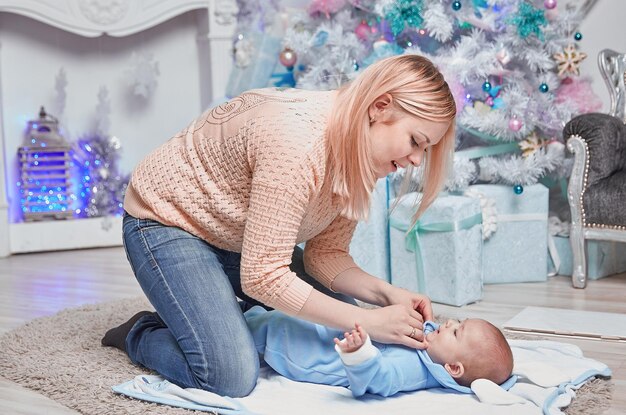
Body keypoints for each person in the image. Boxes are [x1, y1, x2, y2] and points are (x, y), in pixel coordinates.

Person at [101, 54, 457, 397]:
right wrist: (364, 321)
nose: (415, 160)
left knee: (336, 309)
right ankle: (142, 332)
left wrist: (387, 294)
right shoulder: (298, 144)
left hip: (235, 236)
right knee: (230, 374)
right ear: (380, 107)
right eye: (416, 142)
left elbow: (326, 254)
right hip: (167, 222)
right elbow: (263, 276)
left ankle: (214, 313)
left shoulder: (363, 155)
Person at [244, 306, 515, 397]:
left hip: (301, 353)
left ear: (453, 368)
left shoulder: (414, 370)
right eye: (459, 321)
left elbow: (379, 379)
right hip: (325, 330)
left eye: (456, 332)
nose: (450, 323)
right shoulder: (431, 348)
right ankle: (245, 314)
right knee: (273, 318)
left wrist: (360, 354)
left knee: (270, 328)